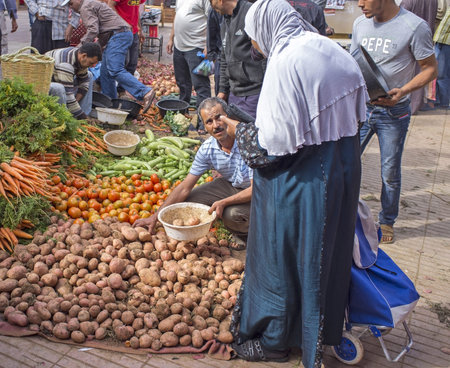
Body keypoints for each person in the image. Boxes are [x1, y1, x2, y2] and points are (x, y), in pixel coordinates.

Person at [217, 0, 367, 366]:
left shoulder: (286, 61)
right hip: (340, 167)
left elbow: (273, 145)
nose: (255, 47)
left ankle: (274, 339)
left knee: (280, 256)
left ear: (266, 27)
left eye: (254, 39)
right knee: (321, 255)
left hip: (301, 180)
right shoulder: (328, 47)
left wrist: (240, 131)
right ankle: (316, 330)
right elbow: (360, 111)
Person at [351, 0, 438, 243]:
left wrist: (405, 90)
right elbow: (353, 63)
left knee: (389, 171)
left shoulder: (414, 26)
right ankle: (345, 214)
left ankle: (387, 221)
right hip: (361, 111)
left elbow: (430, 69)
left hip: (394, 113)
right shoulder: (360, 24)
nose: (359, 4)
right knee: (346, 161)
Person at [134, 97, 252, 249]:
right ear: (204, 126)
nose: (216, 125)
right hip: (232, 185)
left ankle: (248, 233)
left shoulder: (246, 142)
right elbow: (184, 187)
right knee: (188, 201)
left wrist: (224, 202)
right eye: (209, 121)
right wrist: (155, 217)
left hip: (259, 192)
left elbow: (255, 189)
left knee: (232, 215)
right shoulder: (208, 149)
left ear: (228, 117)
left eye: (219, 118)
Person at [68, 0, 155, 107]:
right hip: (120, 34)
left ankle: (145, 92)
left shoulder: (84, 7)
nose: (71, 7)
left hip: (119, 35)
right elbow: (103, 31)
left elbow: (93, 30)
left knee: (115, 69)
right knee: (105, 73)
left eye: (71, 3)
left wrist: (77, 50)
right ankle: (111, 105)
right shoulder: (90, 4)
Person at [210, 0, 266, 119]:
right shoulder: (225, 21)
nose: (212, 7)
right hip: (234, 92)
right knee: (235, 133)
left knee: (251, 133)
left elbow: (264, 51)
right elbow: (224, 58)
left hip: (253, 93)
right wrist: (223, 90)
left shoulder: (251, 13)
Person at [167, 0, 211, 125]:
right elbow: (176, 17)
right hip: (179, 47)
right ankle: (182, 113)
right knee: (182, 83)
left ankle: (204, 121)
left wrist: (209, 45)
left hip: (198, 48)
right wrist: (171, 38)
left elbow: (212, 21)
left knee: (201, 85)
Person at [46, 42, 102, 120]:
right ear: (84, 56)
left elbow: (84, 80)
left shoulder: (78, 55)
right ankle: (65, 118)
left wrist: (76, 100)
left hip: (60, 77)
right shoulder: (66, 64)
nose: (93, 66)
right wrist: (82, 117)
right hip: (44, 86)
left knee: (89, 75)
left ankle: (83, 113)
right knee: (59, 88)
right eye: (91, 63)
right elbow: (68, 95)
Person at [400, 0, 438, 114]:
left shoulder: (407, 2)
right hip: (426, 38)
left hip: (407, 39)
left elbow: (400, 19)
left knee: (407, 73)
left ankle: (408, 106)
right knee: (421, 72)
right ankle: (416, 105)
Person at [108, 0, 145, 97]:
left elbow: (135, 11)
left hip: (134, 32)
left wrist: (139, 28)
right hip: (121, 31)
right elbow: (110, 4)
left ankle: (122, 90)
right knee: (122, 63)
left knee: (132, 63)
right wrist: (122, 23)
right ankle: (102, 85)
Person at [433, 8, 449, 109]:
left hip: (445, 43)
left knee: (442, 74)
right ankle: (439, 100)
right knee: (441, 73)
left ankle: (443, 102)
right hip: (441, 42)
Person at [207, 9, 224, 96]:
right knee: (220, 92)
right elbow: (211, 34)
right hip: (220, 57)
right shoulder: (214, 10)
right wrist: (211, 56)